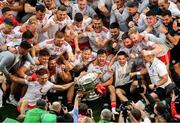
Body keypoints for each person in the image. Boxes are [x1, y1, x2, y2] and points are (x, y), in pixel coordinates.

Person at [10, 68, 75, 119]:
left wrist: (73, 83)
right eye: (42, 78)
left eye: (46, 78)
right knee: (25, 101)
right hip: (23, 105)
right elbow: (16, 79)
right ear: (37, 76)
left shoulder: (48, 84)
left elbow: (63, 87)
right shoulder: (31, 81)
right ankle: (22, 115)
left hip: (35, 107)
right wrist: (6, 72)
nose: (44, 80)